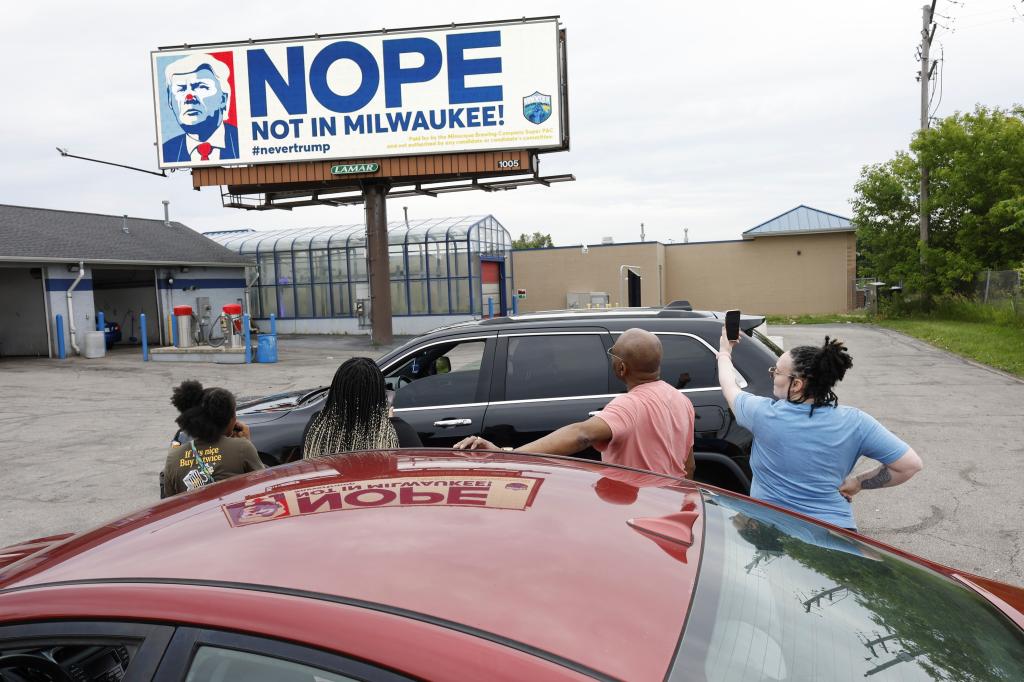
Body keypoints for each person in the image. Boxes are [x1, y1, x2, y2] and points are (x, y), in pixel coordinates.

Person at [717, 328, 923, 531]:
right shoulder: (856, 422)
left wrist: (725, 352)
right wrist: (858, 483)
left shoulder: (761, 414)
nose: (772, 375)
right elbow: (909, 465)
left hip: (773, 533)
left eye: (776, 371)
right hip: (835, 534)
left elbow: (729, 385)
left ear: (796, 384)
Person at [455, 328, 696, 479]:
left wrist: (507, 455)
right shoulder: (682, 400)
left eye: (614, 355)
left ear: (621, 368)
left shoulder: (629, 405)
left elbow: (581, 435)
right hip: (670, 504)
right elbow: (689, 465)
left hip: (639, 511)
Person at [303, 357, 422, 458]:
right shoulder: (400, 432)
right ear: (379, 394)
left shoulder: (316, 427)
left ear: (336, 391)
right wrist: (392, 423)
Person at [164, 380, 265, 496]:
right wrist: (247, 442)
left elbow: (168, 501)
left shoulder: (174, 457)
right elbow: (262, 484)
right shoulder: (242, 448)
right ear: (229, 420)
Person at [162, 54, 239, 162]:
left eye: (200, 87)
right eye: (181, 89)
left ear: (223, 99)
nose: (189, 97)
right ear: (170, 101)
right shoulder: (166, 151)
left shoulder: (245, 143)